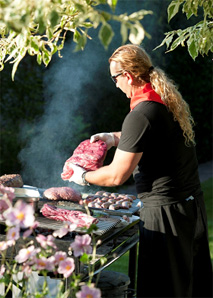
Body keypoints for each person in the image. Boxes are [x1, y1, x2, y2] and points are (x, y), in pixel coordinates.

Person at [69, 44, 212, 297]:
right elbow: (151, 139)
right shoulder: (161, 101)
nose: (114, 85)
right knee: (189, 288)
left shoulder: (142, 113)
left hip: (165, 216)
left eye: (115, 78)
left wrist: (81, 176)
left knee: (163, 291)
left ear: (128, 76)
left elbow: (116, 175)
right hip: (188, 208)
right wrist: (114, 138)